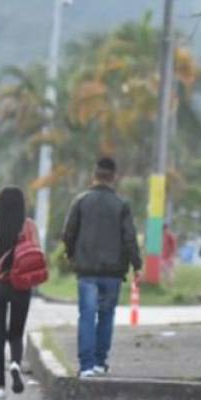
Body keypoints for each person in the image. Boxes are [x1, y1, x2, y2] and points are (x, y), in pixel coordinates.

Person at [61, 157, 142, 377]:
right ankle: (99, 362)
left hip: (87, 272)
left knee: (87, 316)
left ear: (94, 175)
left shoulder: (81, 201)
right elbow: (129, 238)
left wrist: (71, 255)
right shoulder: (121, 205)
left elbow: (68, 233)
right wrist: (137, 266)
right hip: (113, 273)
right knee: (107, 316)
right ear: (114, 177)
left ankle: (86, 367)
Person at [0, 187, 36, 399]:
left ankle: (0, 386)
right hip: (22, 284)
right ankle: (15, 364)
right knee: (16, 333)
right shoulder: (29, 225)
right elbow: (36, 251)